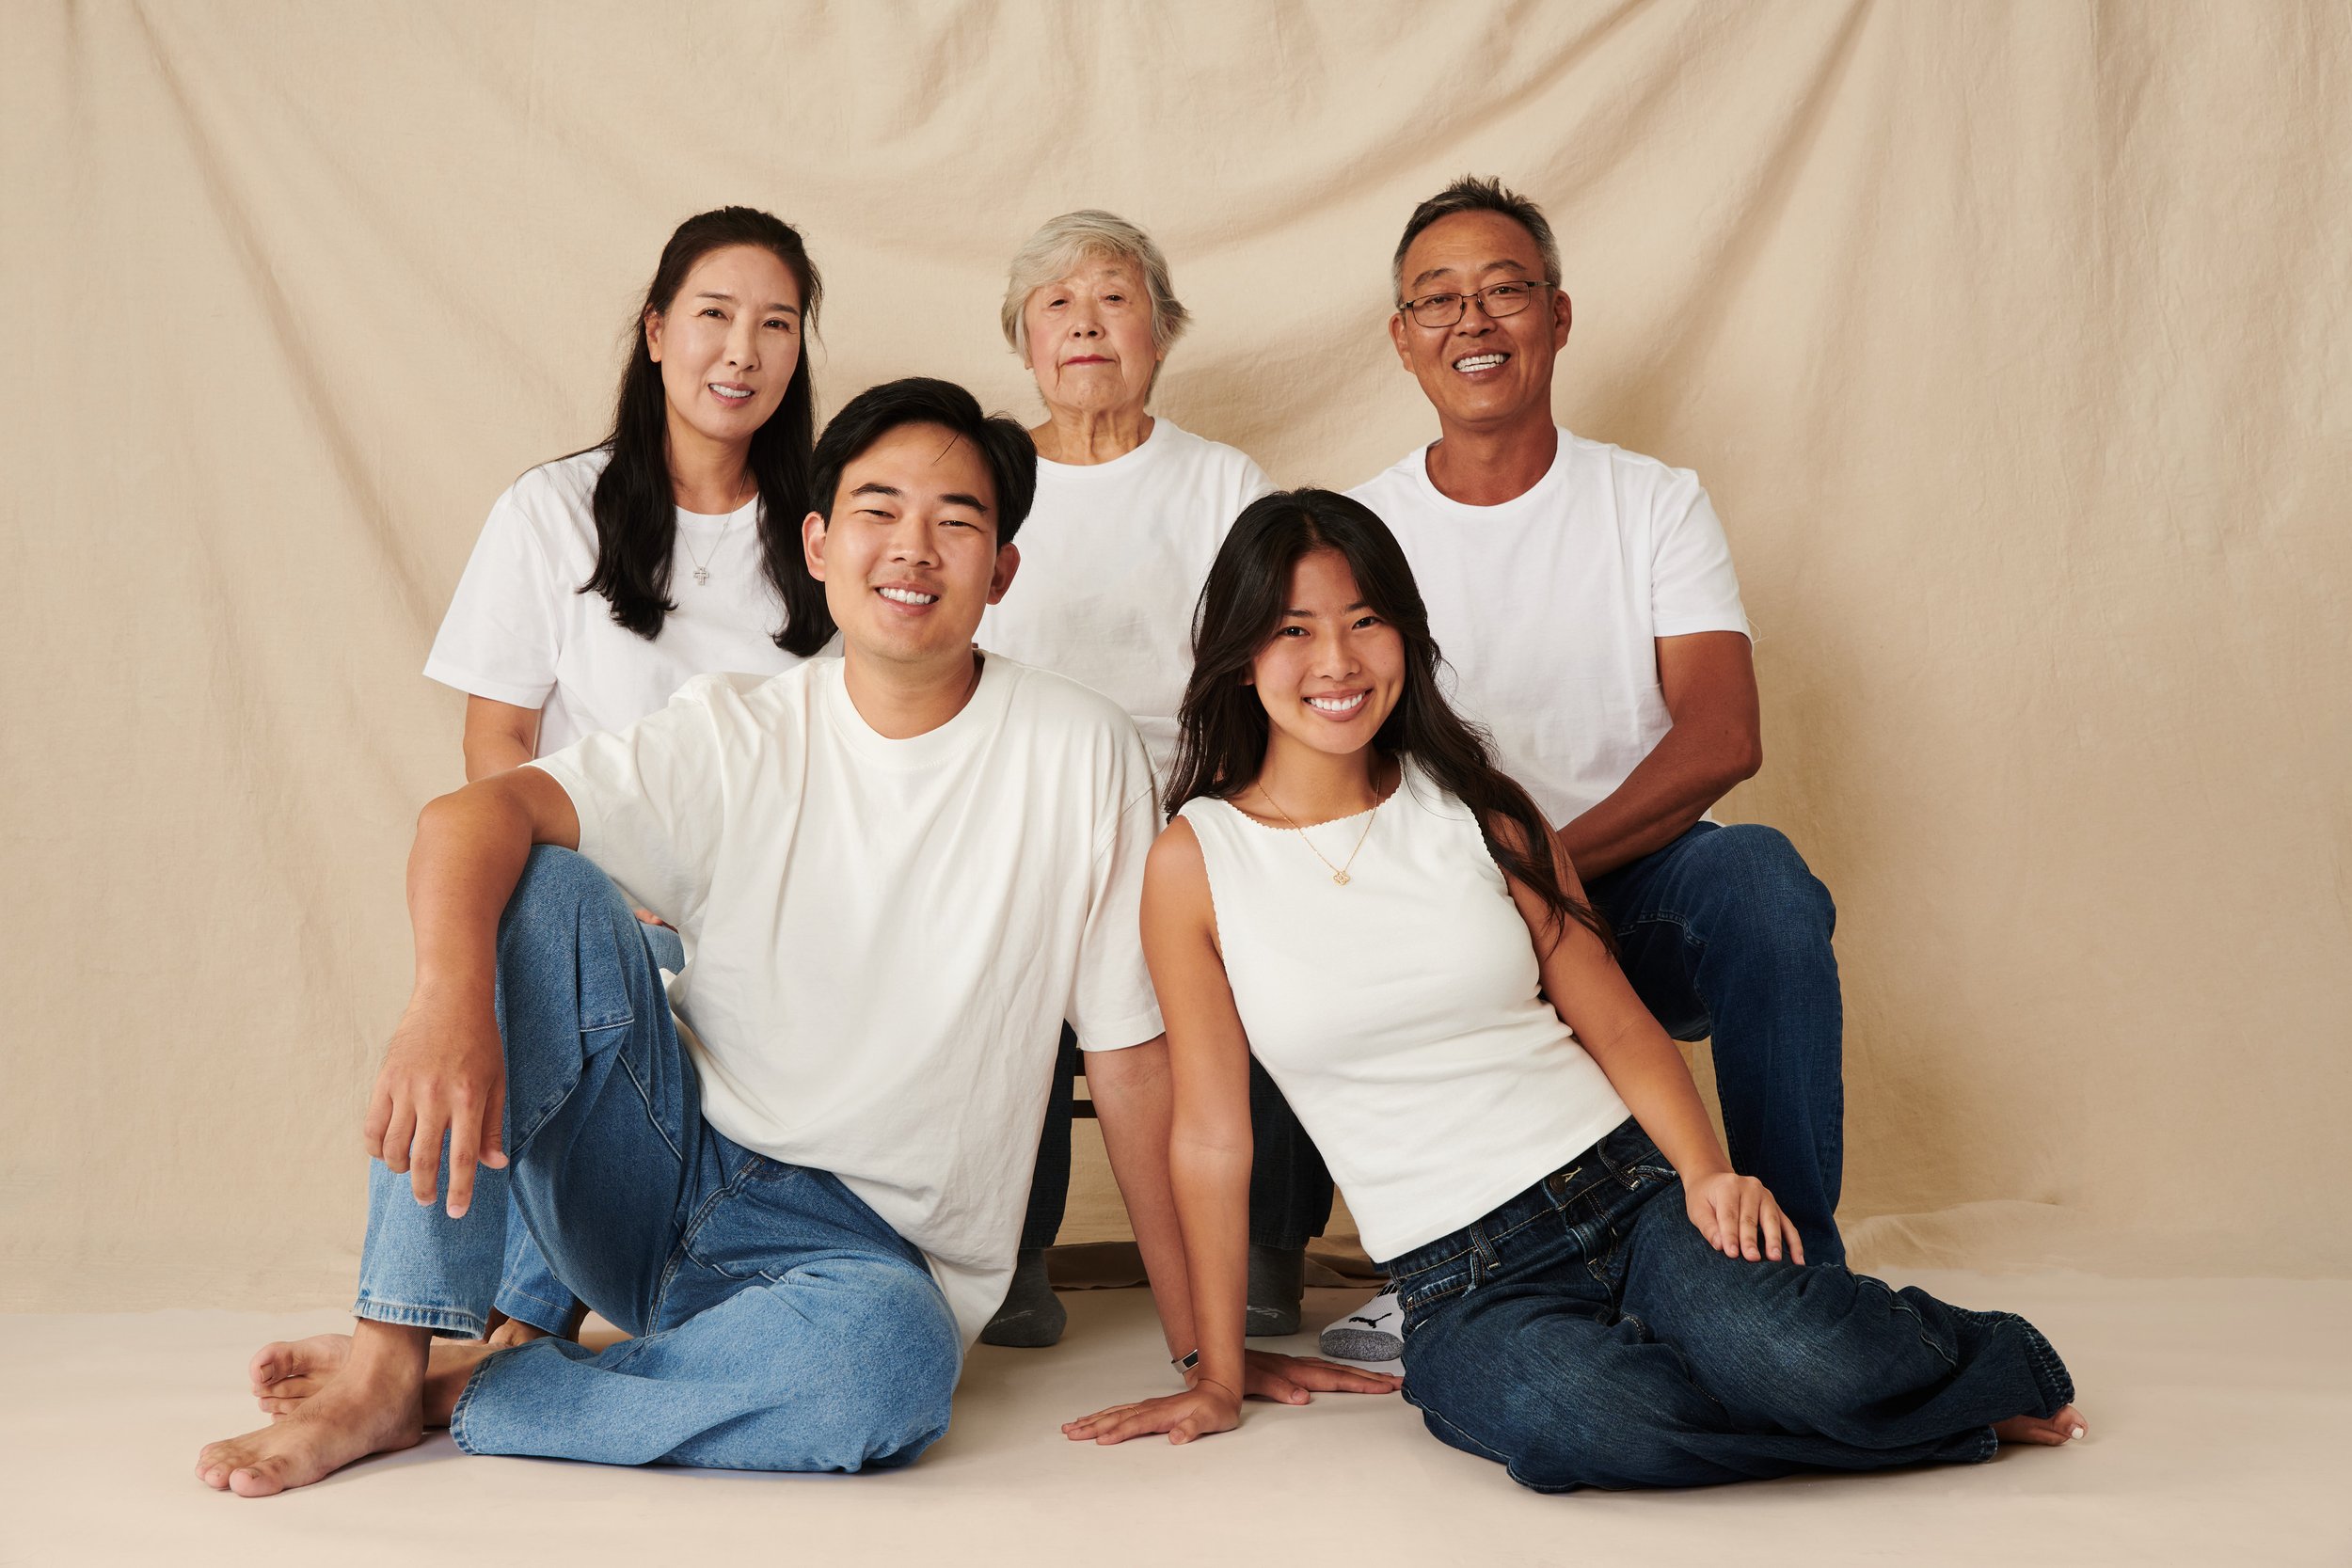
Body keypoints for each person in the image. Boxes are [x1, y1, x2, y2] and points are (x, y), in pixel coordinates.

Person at [195, 381, 1384, 1497]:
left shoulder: (1078, 752)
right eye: (878, 510)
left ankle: (476, 1386)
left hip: (864, 1262)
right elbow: (470, 813)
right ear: (818, 545)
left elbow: (1130, 1058)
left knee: (884, 1374)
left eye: (955, 519)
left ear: (1003, 567)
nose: (913, 547)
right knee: (537, 886)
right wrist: (443, 1003)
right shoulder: (738, 727)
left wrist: (1203, 1352)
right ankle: (383, 1362)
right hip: (666, 1175)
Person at [1064, 491, 2086, 1491]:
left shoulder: (1481, 811)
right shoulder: (1195, 858)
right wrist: (1215, 1367)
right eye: (1294, 629)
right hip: (1459, 1279)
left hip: (1626, 1196)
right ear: (1243, 656)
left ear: (1405, 638)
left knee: (1802, 1353)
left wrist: (1705, 1174)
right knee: (1595, 1422)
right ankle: (1908, 1418)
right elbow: (1207, 1132)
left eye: (1364, 620)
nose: (1335, 661)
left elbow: (1616, 1020)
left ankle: (1945, 1369)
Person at [1309, 175, 1848, 1362]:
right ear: (1401, 341)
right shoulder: (1361, 530)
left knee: (1759, 879)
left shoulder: (1651, 501)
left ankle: (1799, 1264)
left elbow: (1722, 736)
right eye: (1437, 300)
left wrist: (1547, 873)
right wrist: (1483, 896)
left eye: (1504, 291)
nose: (1474, 322)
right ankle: (1448, 1269)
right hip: (1444, 906)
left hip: (1633, 888)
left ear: (1558, 315)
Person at [421, 204, 834, 1352]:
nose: (741, 351)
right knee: (530, 950)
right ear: (655, 331)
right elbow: (494, 744)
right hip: (591, 883)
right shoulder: (552, 511)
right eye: (713, 315)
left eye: (776, 324)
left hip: (763, 905)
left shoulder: (826, 531)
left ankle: (489, 1331)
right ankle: (479, 1326)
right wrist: (608, 890)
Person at [975, 210, 1293, 1346]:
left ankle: (1254, 1241)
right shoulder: (985, 476)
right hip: (1014, 810)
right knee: (996, 923)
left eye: (1113, 296)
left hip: (1188, 807)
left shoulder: (1220, 481)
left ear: (1161, 329)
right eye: (1055, 303)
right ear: (1023, 341)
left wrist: (1198, 812)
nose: (1086, 323)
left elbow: (1267, 667)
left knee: (1255, 927)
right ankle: (1009, 1247)